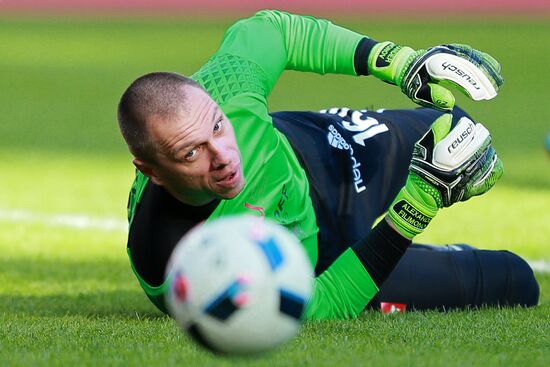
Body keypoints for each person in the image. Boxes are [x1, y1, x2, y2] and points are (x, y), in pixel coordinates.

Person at [117, 10, 539, 320]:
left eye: (218, 127)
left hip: (319, 154)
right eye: (191, 153)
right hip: (322, 267)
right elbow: (319, 305)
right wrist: (419, 203)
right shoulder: (185, 263)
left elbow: (271, 30)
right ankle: (410, 254)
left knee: (462, 128)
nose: (223, 156)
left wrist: (397, 61)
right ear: (150, 170)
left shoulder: (222, 91)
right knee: (517, 282)